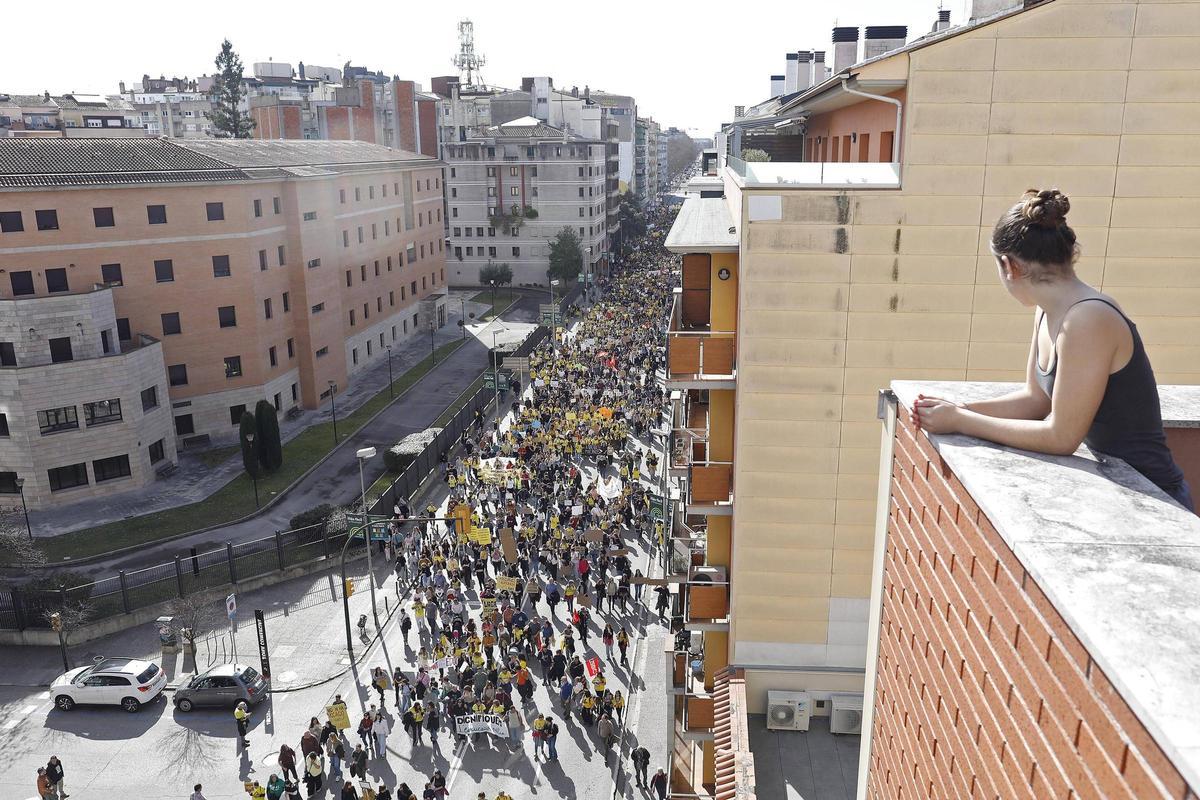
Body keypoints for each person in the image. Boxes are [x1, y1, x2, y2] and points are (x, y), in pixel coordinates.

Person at [913, 188, 1193, 512]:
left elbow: (1061, 437)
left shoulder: (1088, 318)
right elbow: (1035, 401)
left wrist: (961, 420)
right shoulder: (1047, 309)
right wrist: (958, 407)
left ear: (1009, 266)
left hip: (1155, 500)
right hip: (1117, 490)